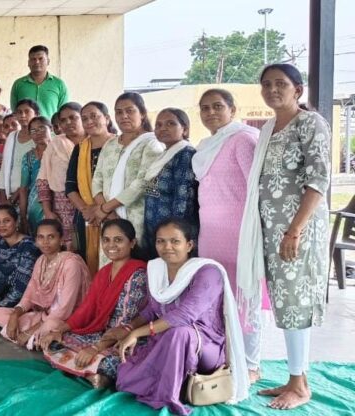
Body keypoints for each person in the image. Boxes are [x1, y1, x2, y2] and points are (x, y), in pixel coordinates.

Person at [241, 64, 330, 410]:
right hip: (272, 230)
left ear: (298, 90)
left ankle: (300, 385)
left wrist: (295, 230)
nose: (272, 90)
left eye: (281, 84)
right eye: (266, 84)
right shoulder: (268, 129)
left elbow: (318, 180)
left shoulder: (310, 124)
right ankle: (295, 376)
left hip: (298, 230)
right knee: (284, 301)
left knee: (296, 302)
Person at [114, 219, 249, 416]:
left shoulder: (207, 272)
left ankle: (167, 394)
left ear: (189, 245)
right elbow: (152, 309)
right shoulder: (157, 270)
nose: (167, 247)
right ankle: (169, 383)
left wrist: (137, 333)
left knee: (179, 333)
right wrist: (128, 329)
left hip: (206, 346)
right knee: (125, 378)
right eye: (161, 241)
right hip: (164, 340)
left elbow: (185, 315)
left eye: (175, 241)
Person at [193, 88, 263, 381]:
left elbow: (256, 188)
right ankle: (227, 357)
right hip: (210, 233)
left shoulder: (243, 139)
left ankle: (251, 364)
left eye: (218, 106)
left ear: (233, 110)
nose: (210, 112)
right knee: (218, 295)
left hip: (239, 233)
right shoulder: (206, 146)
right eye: (205, 107)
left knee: (245, 296)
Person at [38, 219, 148, 389]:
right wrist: (59, 331)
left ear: (132, 243)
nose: (111, 245)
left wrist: (95, 348)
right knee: (52, 344)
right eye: (106, 240)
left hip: (127, 337)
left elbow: (125, 324)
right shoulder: (104, 272)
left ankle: (92, 371)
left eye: (118, 240)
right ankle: (92, 374)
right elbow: (86, 309)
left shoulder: (138, 274)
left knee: (112, 361)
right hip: (102, 333)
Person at [0, 219, 89, 349]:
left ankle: (32, 336)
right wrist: (15, 315)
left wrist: (30, 330)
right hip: (43, 316)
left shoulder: (71, 264)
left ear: (61, 240)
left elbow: (64, 310)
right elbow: (29, 295)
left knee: (51, 325)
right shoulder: (41, 261)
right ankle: (35, 339)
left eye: (51, 237)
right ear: (36, 241)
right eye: (41, 237)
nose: (45, 242)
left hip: (65, 319)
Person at [91, 93, 165, 260]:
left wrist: (105, 208)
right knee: (111, 263)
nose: (123, 116)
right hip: (108, 219)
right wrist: (108, 213)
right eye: (119, 112)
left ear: (142, 114)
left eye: (130, 111)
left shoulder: (151, 143)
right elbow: (97, 179)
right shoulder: (110, 144)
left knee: (134, 262)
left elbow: (143, 183)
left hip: (136, 217)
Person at [66, 102, 116, 274]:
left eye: (94, 116)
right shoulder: (80, 148)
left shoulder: (119, 145)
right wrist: (86, 210)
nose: (89, 121)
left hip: (114, 213)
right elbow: (70, 186)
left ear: (107, 118)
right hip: (84, 217)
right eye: (84, 118)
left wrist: (104, 210)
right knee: (83, 260)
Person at [143, 109, 197, 259]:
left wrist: (173, 234)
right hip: (156, 231)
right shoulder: (164, 155)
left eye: (170, 124)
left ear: (184, 129)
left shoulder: (185, 154)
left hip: (172, 237)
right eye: (158, 125)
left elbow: (183, 199)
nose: (163, 128)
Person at [38, 103, 83, 250]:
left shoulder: (93, 143)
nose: (68, 122)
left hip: (90, 205)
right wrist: (47, 211)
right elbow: (43, 179)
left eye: (73, 117)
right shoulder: (55, 144)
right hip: (62, 209)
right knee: (69, 248)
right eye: (63, 120)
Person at [0, 205, 38, 320]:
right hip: (6, 289)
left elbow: (22, 285)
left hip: (24, 294)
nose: (1, 225)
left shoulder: (28, 246)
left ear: (16, 222)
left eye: (6, 221)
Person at [0, 99, 39, 208]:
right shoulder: (12, 136)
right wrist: (3, 198)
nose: (22, 115)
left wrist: (14, 197)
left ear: (36, 114)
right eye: (19, 112)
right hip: (9, 194)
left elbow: (35, 172)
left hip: (31, 195)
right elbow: (4, 168)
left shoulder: (39, 138)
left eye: (27, 111)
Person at [9, 45, 68, 117]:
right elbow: (14, 112)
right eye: (33, 59)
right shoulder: (18, 84)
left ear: (48, 61)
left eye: (41, 59)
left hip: (50, 124)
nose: (37, 62)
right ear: (28, 63)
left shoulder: (59, 84)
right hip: (25, 125)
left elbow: (63, 113)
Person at [19, 116, 50, 231]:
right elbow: (23, 189)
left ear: (50, 128)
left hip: (59, 203)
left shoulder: (59, 152)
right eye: (33, 131)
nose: (38, 133)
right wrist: (23, 217)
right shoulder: (28, 157)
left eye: (41, 128)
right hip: (35, 207)